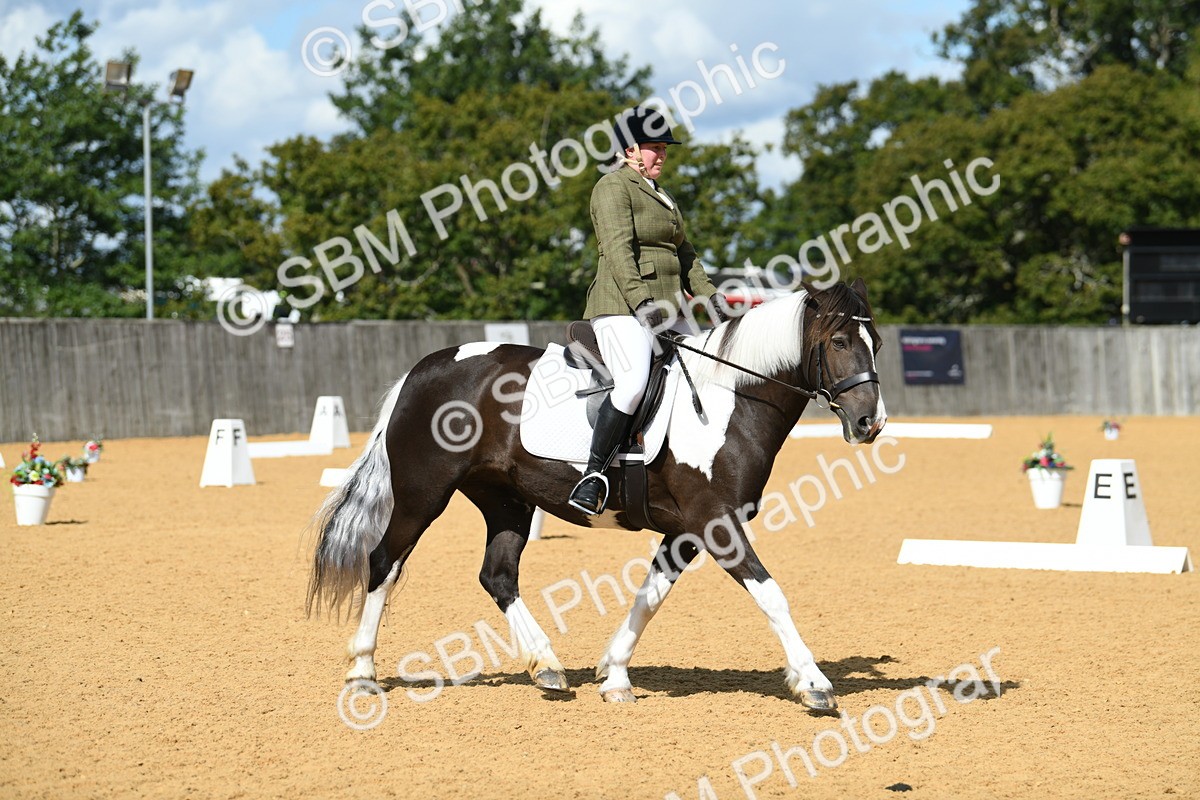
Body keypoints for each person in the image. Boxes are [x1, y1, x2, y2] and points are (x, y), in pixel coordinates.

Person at [567, 106, 728, 515]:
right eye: (653, 148)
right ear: (629, 150)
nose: (661, 155)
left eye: (663, 149)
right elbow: (619, 252)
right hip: (622, 306)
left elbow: (686, 253)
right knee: (633, 382)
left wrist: (713, 300)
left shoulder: (663, 196)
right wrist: (642, 303)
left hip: (667, 309)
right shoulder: (612, 187)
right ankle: (593, 474)